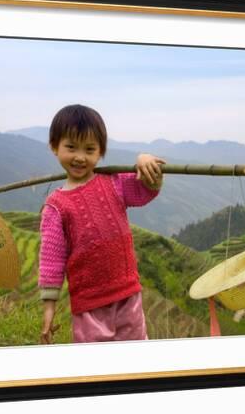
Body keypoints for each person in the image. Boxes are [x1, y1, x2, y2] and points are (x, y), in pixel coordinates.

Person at [38, 104, 166, 344]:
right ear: (54, 146)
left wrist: (145, 161)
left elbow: (145, 189)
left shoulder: (113, 184)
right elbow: (51, 261)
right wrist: (49, 307)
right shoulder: (55, 206)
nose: (79, 157)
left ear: (101, 152)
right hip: (89, 304)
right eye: (71, 147)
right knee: (96, 365)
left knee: (137, 359)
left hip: (128, 294)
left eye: (89, 149)